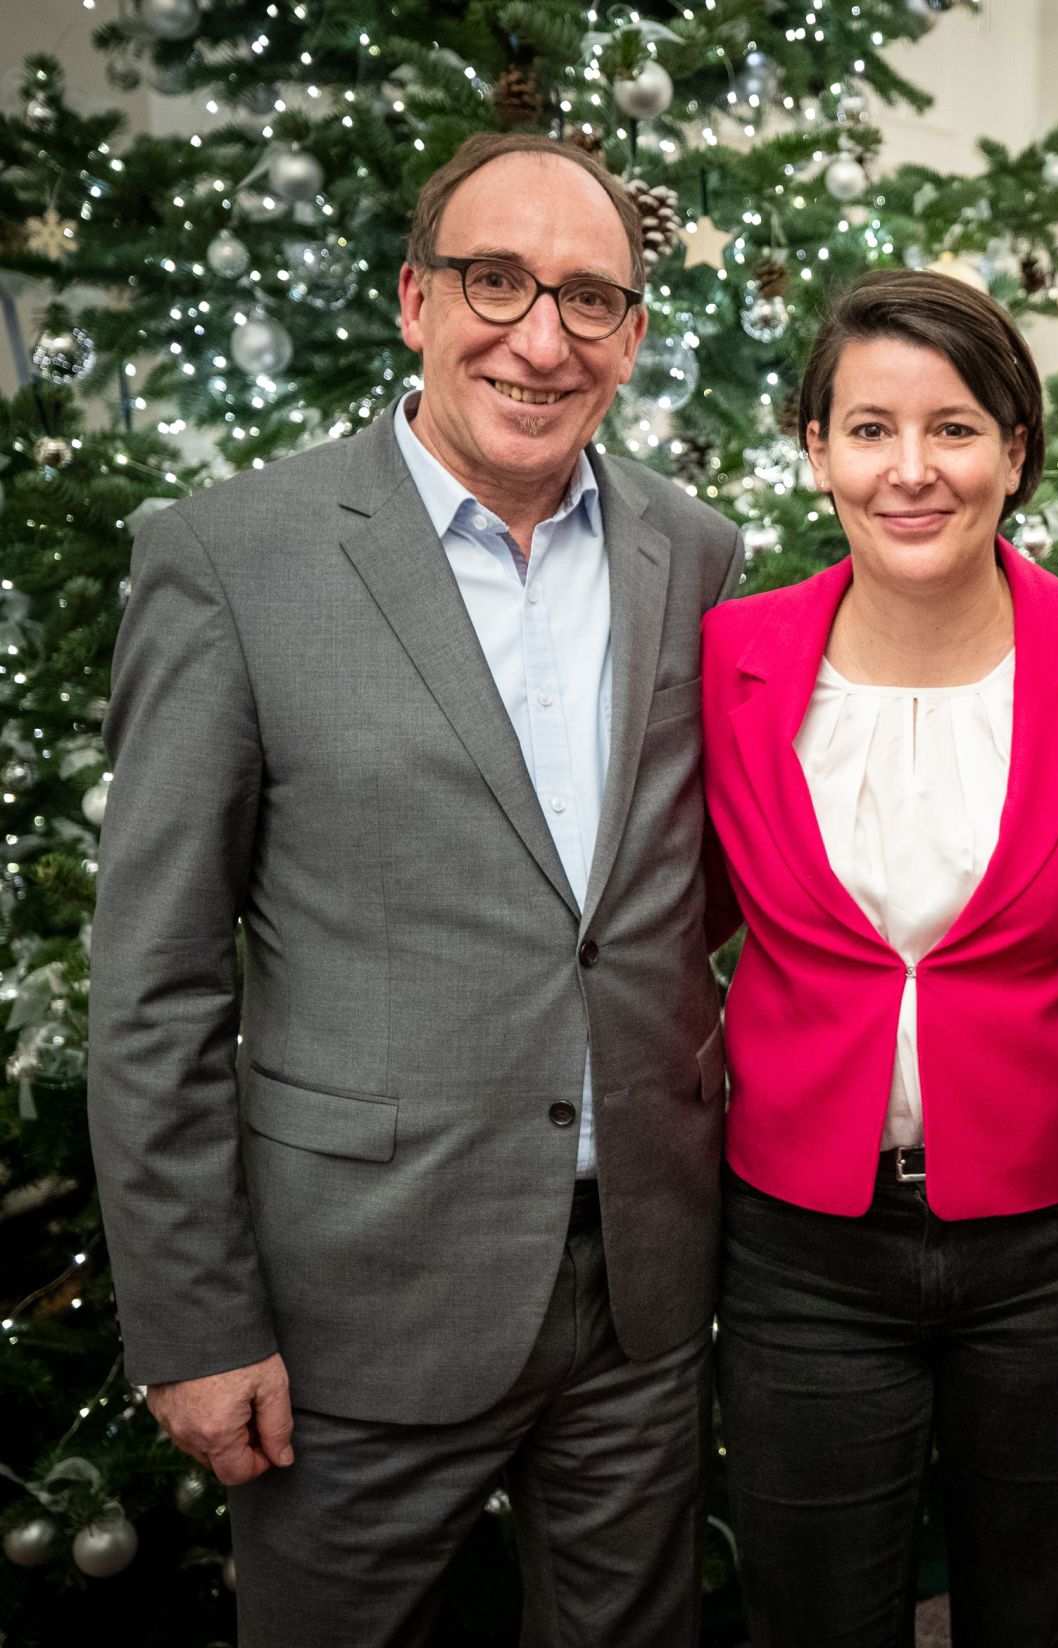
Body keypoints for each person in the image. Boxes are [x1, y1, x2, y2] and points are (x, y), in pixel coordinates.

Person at [86, 131, 743, 1647]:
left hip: (642, 1292)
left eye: (588, 299)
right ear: (414, 300)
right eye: (495, 281)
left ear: (633, 332)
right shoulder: (230, 559)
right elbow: (157, 978)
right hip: (359, 1300)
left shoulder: (694, 552)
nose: (541, 340)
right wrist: (194, 1318)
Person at [700, 269, 1058, 1647]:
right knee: (815, 1614)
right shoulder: (728, 659)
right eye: (870, 429)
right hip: (803, 1247)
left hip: (1053, 1240)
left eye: (953, 429)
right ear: (817, 451)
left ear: (1014, 453)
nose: (912, 470)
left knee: (1044, 1608)